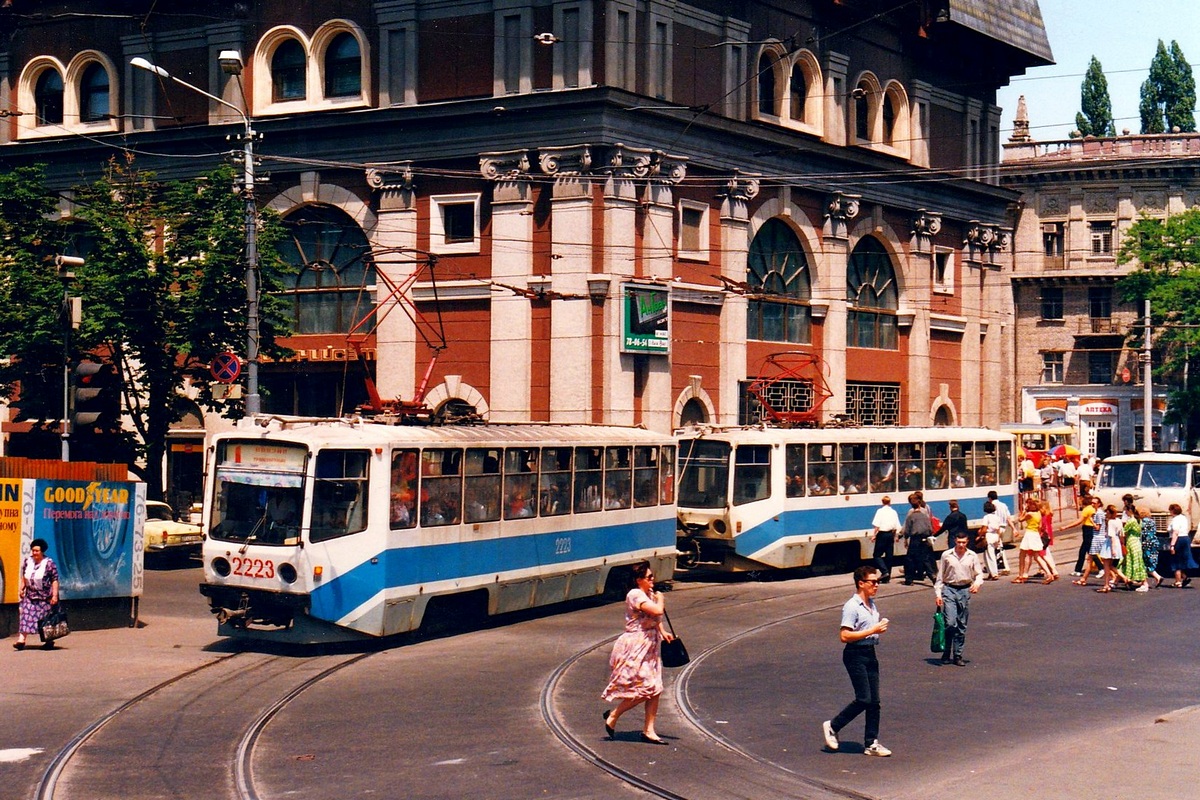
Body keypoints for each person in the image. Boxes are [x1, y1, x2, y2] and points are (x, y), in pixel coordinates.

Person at [602, 561, 675, 745]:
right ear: (638, 580)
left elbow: (655, 617)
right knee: (647, 688)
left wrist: (662, 631)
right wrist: (661, 599)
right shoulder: (634, 595)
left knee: (655, 687)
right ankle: (613, 715)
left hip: (650, 644)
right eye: (649, 577)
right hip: (636, 645)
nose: (653, 580)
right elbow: (657, 609)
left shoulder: (647, 593)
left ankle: (649, 730)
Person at [822, 566, 891, 757]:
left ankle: (871, 743)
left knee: (874, 701)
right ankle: (833, 726)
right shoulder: (852, 606)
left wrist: (878, 630)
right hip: (855, 654)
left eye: (877, 582)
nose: (877, 585)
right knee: (864, 698)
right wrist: (873, 630)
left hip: (870, 652)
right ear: (861, 583)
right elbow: (844, 635)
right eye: (873, 582)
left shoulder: (872, 604)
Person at [935, 531, 985, 665]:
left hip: (964, 590)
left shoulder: (972, 555)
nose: (961, 545)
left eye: (963, 542)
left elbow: (979, 574)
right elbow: (940, 576)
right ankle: (946, 652)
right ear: (955, 541)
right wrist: (938, 594)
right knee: (950, 623)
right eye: (959, 542)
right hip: (949, 589)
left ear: (967, 542)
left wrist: (977, 584)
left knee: (961, 624)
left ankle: (957, 655)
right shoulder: (947, 555)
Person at [15, 538, 60, 650]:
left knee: (45, 619)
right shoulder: (28, 562)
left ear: (42, 552)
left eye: (37, 551)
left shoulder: (49, 563)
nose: (34, 553)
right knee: (25, 615)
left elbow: (54, 579)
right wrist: (22, 589)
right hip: (30, 596)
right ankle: (21, 640)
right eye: (33, 550)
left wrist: (54, 596)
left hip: (45, 597)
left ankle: (49, 640)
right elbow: (24, 577)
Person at [1013, 498, 1052, 584]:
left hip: (1029, 534)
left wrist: (1024, 510)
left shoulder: (1030, 514)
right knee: (1037, 556)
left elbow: (1020, 519)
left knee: (1022, 554)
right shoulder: (1038, 513)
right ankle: (1049, 574)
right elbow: (1040, 526)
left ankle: (1021, 575)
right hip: (1035, 534)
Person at [900, 493, 936, 585]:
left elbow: (907, 530)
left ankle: (909, 579)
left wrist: (905, 538)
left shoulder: (911, 515)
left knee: (910, 559)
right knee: (925, 558)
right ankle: (932, 576)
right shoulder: (925, 514)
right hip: (925, 538)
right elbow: (930, 528)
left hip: (915, 539)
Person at [869, 496, 901, 583]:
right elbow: (897, 526)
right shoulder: (893, 512)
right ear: (890, 502)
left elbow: (877, 525)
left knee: (877, 555)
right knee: (889, 555)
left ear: (882, 502)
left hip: (882, 534)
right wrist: (895, 536)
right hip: (890, 534)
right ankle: (887, 577)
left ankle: (884, 571)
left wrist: (874, 535)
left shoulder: (880, 511)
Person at [1116, 507, 1148, 591]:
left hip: (1131, 542)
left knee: (1128, 561)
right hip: (1137, 542)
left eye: (1126, 511)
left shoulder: (1131, 521)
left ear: (1130, 511)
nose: (1125, 512)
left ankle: (1144, 583)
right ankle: (1121, 580)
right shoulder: (1139, 520)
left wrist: (1122, 542)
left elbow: (1123, 532)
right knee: (1136, 561)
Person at [1167, 503, 1197, 588]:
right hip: (1185, 538)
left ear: (1173, 511)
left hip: (1178, 539)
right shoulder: (1184, 518)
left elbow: (1175, 532)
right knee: (1181, 559)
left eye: (1170, 510)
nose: (1169, 512)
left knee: (1175, 560)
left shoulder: (1175, 520)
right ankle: (1184, 577)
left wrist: (1172, 545)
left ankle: (1178, 581)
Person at [1095, 505, 1124, 593]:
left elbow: (1111, 537)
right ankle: (1108, 583)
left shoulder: (1111, 522)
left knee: (1106, 565)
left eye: (1107, 512)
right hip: (1117, 542)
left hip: (1110, 544)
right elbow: (1121, 533)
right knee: (1110, 565)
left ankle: (1108, 584)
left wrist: (1112, 549)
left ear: (1109, 513)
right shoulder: (1119, 520)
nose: (1105, 514)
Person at [1139, 507, 1164, 589]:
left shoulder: (1142, 522)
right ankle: (1156, 577)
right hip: (1154, 542)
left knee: (1144, 562)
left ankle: (1153, 578)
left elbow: (1142, 534)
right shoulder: (1152, 521)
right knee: (1150, 561)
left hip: (1146, 543)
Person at [1073, 495, 1098, 577]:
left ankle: (1078, 570)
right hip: (1090, 529)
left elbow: (1079, 521)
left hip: (1087, 529)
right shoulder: (1092, 509)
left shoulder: (1086, 510)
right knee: (1089, 551)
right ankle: (1101, 568)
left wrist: (1066, 527)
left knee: (1084, 551)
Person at [1037, 499, 1060, 583]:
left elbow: (1042, 526)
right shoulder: (1049, 513)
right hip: (1048, 532)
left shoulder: (1043, 515)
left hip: (1044, 534)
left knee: (1043, 553)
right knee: (1043, 552)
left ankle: (1051, 570)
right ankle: (1044, 569)